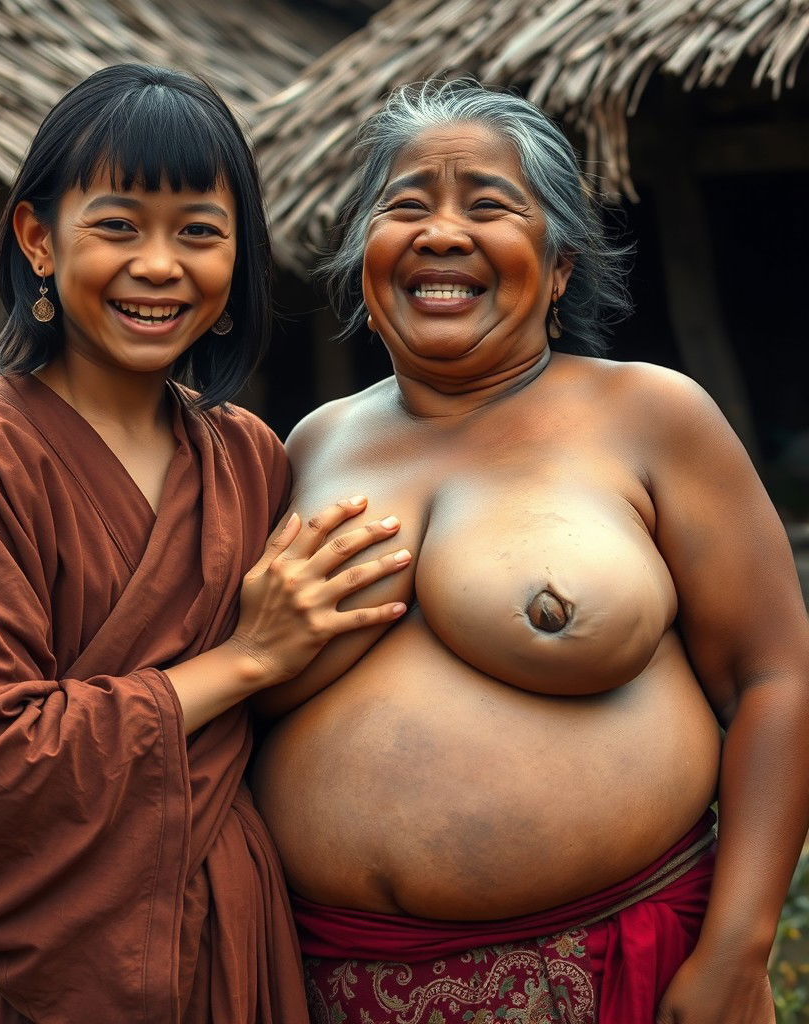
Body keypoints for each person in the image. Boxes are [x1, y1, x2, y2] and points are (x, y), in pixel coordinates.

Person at [251, 79, 809, 1024]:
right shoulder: (307, 447)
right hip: (327, 984)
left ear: (557, 267)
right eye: (406, 205)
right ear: (364, 260)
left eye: (489, 206)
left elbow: (776, 680)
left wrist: (739, 947)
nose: (441, 232)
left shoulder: (649, 415)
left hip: (607, 976)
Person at [0, 64, 411, 1023]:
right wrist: (246, 659)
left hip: (227, 945)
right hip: (27, 971)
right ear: (38, 239)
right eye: (118, 226)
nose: (160, 266)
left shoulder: (248, 458)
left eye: (199, 232)